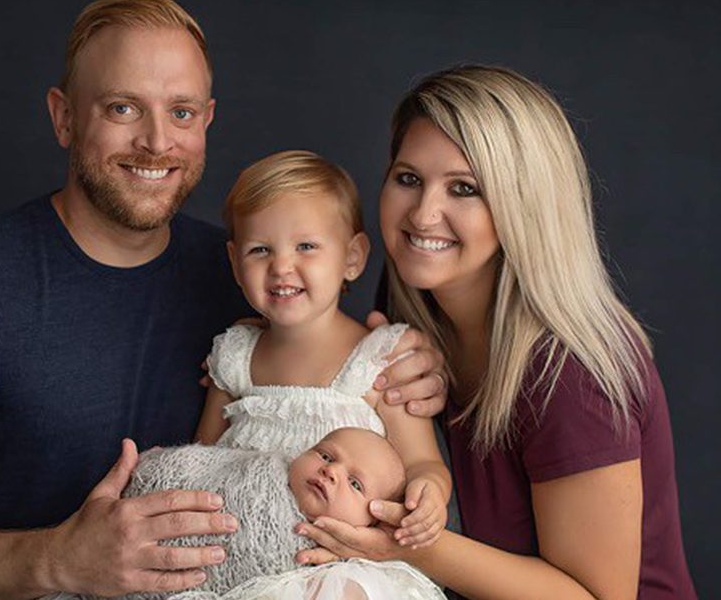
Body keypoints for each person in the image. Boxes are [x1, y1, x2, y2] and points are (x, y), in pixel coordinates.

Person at [0, 0, 447, 600]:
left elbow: (335, 360)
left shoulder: (254, 276)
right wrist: (56, 559)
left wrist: (406, 366)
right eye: (122, 108)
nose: (156, 141)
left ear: (208, 120)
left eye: (183, 113)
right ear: (64, 117)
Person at [294, 66, 699, 600]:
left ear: (523, 207)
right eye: (408, 178)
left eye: (465, 189)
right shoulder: (414, 306)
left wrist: (409, 544)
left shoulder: (570, 372)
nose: (423, 213)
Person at [196, 150, 451, 548]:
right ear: (234, 262)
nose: (281, 266)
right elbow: (204, 461)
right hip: (242, 560)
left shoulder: (380, 360)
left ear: (352, 257)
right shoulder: (234, 358)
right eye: (260, 250)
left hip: (339, 561)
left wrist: (429, 493)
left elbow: (422, 462)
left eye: (306, 247)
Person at [53, 428, 442, 600]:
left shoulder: (332, 564)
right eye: (325, 455)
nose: (331, 471)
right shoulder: (268, 465)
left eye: (355, 484)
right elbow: (209, 461)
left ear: (370, 526)